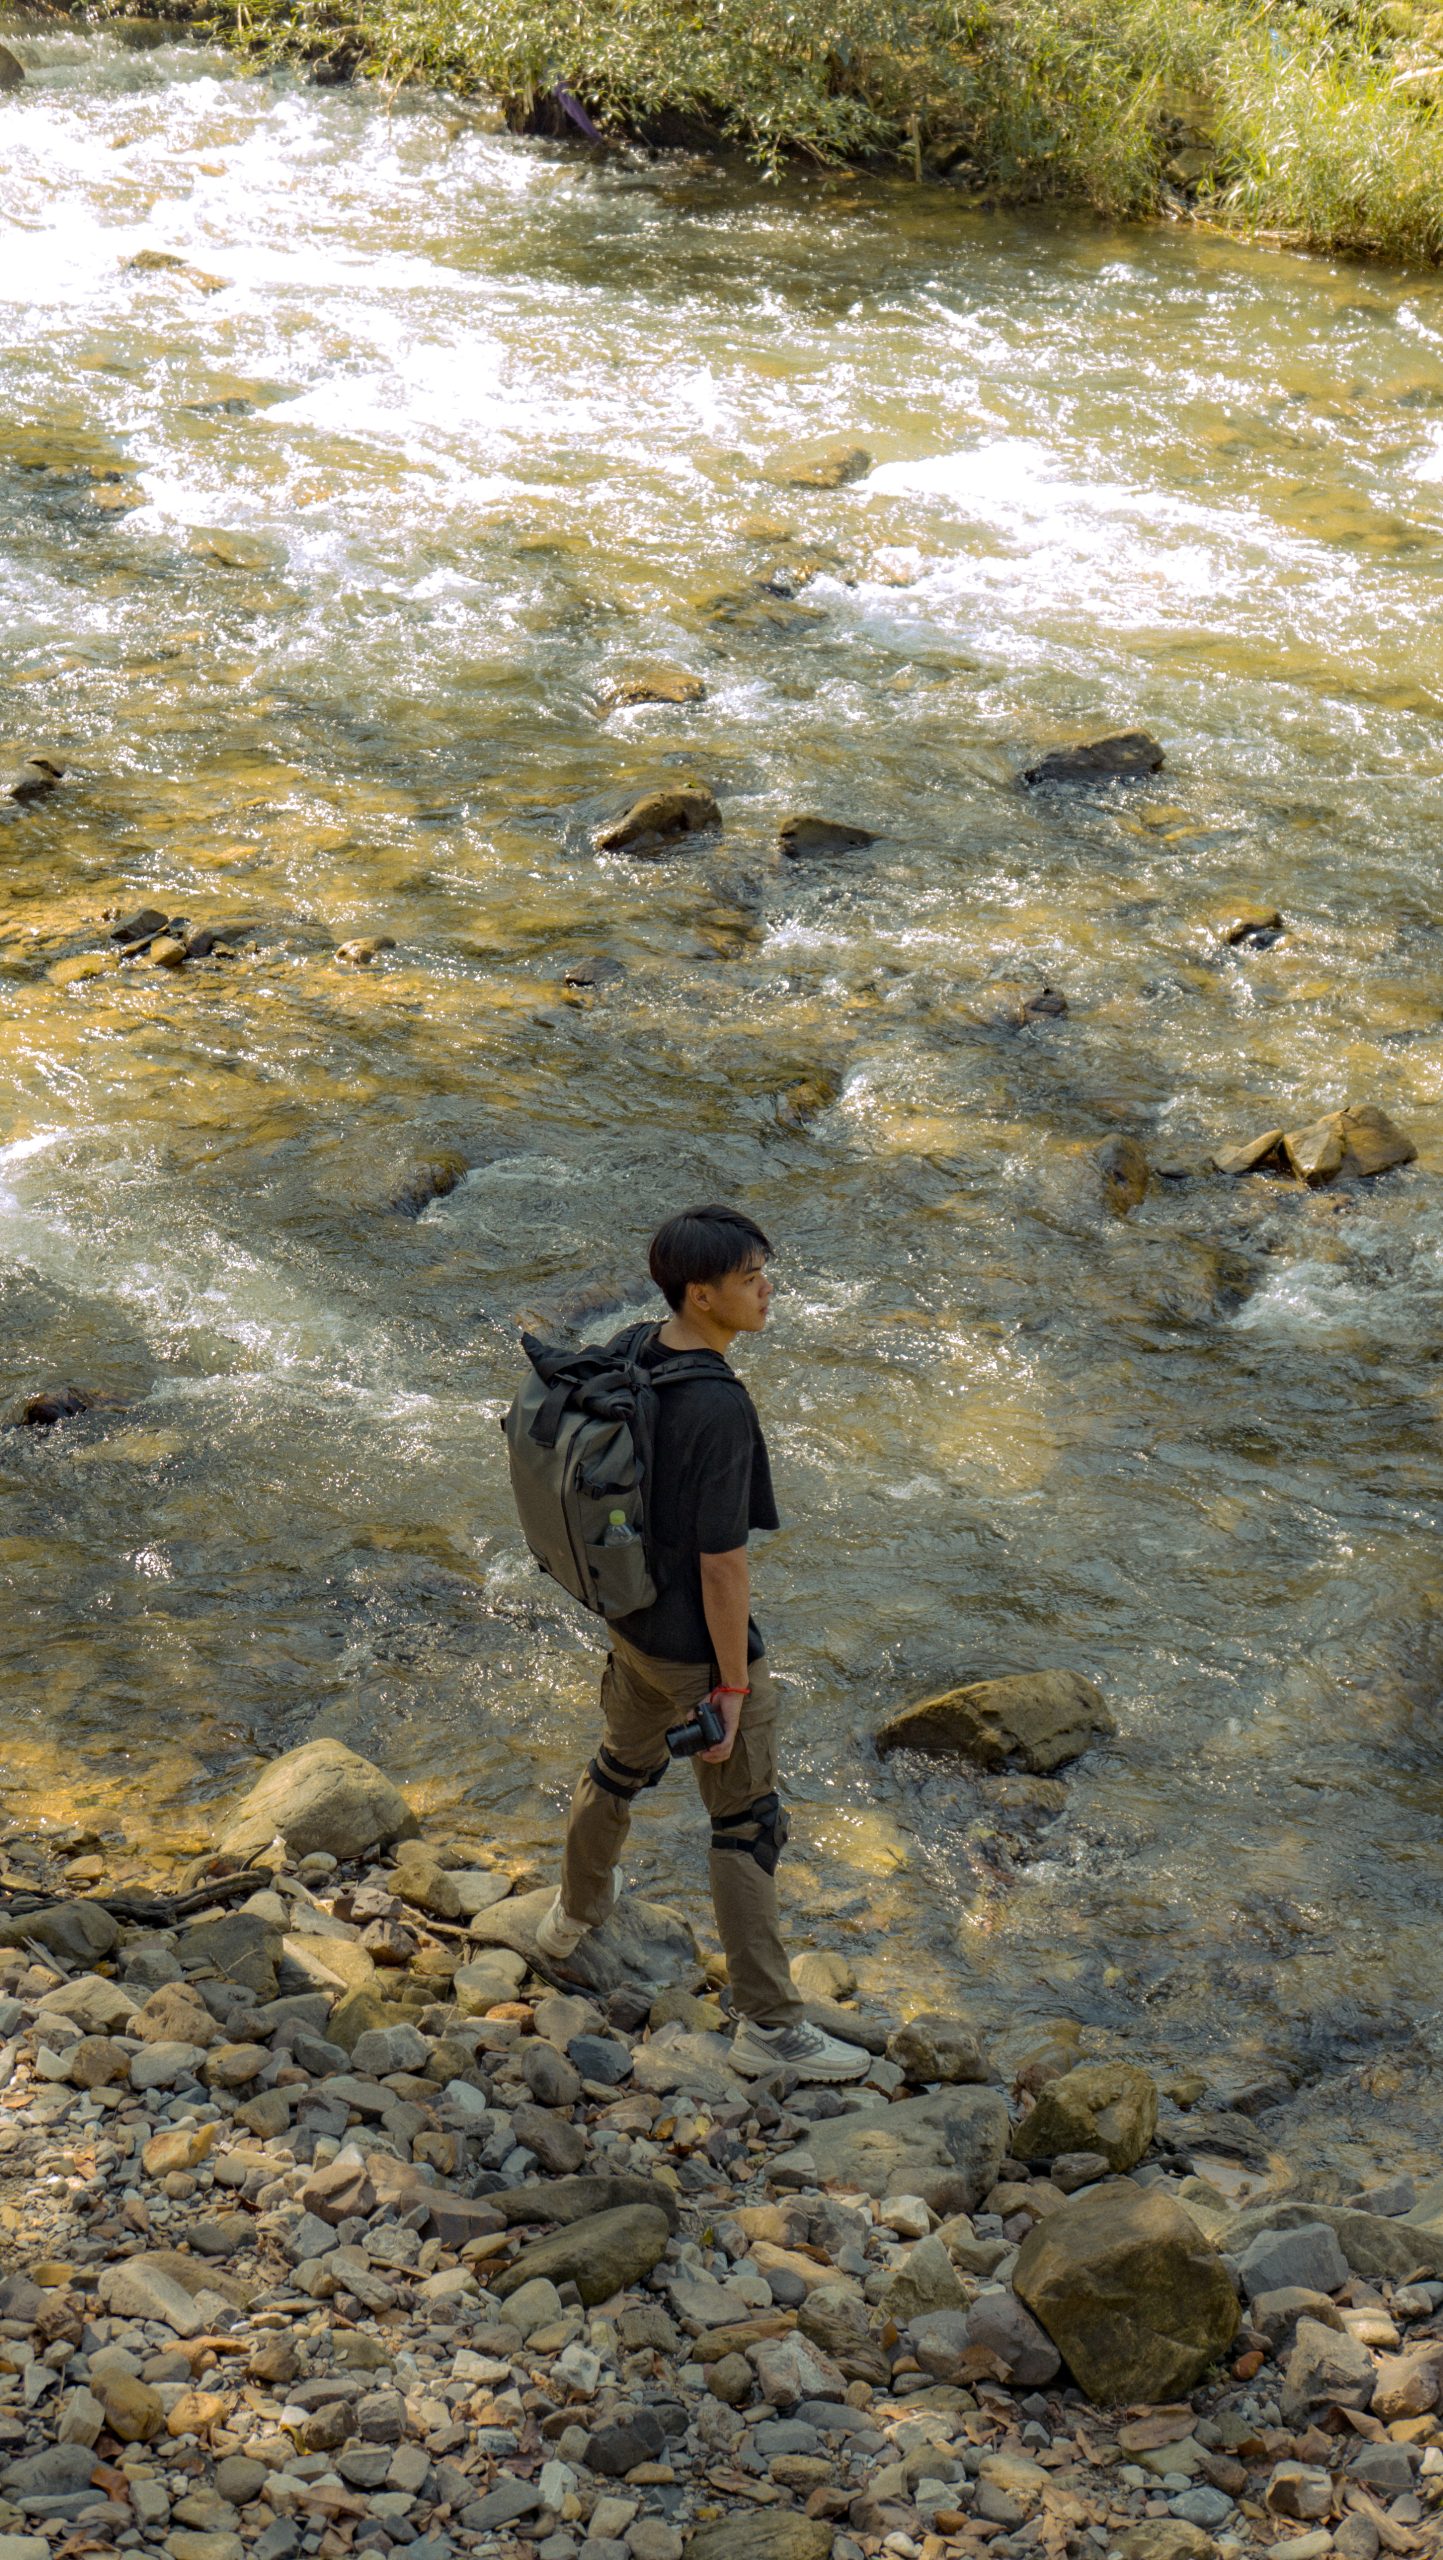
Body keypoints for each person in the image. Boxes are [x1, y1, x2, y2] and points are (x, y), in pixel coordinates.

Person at [536, 1205, 870, 2083]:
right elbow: (724, 1566)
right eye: (752, 1276)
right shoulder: (721, 1407)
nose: (768, 1289)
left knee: (618, 1766)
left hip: (630, 1620)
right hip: (695, 1645)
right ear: (703, 1292)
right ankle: (769, 2025)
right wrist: (728, 1687)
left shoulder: (640, 1346)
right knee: (745, 1824)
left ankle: (569, 1918)